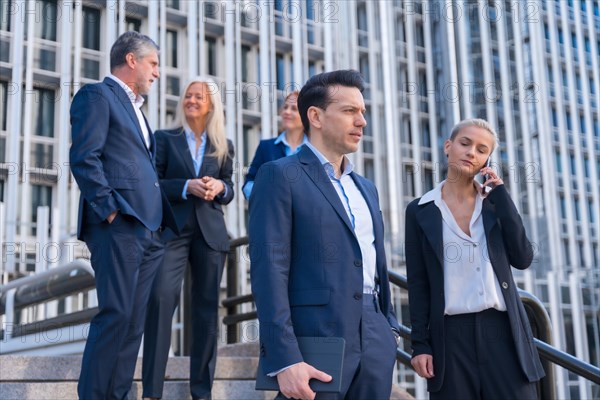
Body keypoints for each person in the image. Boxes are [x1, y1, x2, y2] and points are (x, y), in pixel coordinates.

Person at [249, 70, 400, 400]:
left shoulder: (367, 189)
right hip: (314, 341)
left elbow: (376, 265)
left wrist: (388, 329)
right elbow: (268, 270)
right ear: (315, 116)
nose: (361, 121)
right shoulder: (278, 175)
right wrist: (284, 358)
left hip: (375, 339)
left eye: (363, 112)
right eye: (349, 111)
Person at [69, 31, 177, 399]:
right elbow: (85, 158)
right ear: (132, 60)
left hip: (149, 231)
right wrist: (111, 212)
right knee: (116, 314)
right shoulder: (97, 95)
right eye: (154, 63)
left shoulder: (138, 110)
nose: (157, 73)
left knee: (133, 323)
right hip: (119, 226)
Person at [405, 118, 545, 399]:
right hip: (451, 336)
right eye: (465, 143)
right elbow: (418, 283)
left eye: (482, 150)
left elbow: (523, 257)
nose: (472, 153)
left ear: (486, 160)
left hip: (503, 332)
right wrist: (420, 344)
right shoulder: (420, 211)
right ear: (448, 146)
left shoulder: (494, 205)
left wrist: (502, 196)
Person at [142, 77, 235, 400]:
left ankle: (201, 392)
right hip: (173, 231)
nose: (192, 100)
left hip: (210, 234)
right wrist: (186, 186)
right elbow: (153, 182)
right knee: (160, 300)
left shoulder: (223, 144)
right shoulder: (164, 138)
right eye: (188, 95)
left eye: (199, 96)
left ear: (211, 105)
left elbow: (229, 186)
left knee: (207, 311)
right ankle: (152, 391)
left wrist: (219, 188)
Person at [241, 90, 307, 199]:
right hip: (272, 213)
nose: (287, 112)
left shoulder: (314, 149)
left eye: (294, 109)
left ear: (305, 116)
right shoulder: (266, 147)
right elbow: (249, 183)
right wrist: (266, 195)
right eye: (285, 107)